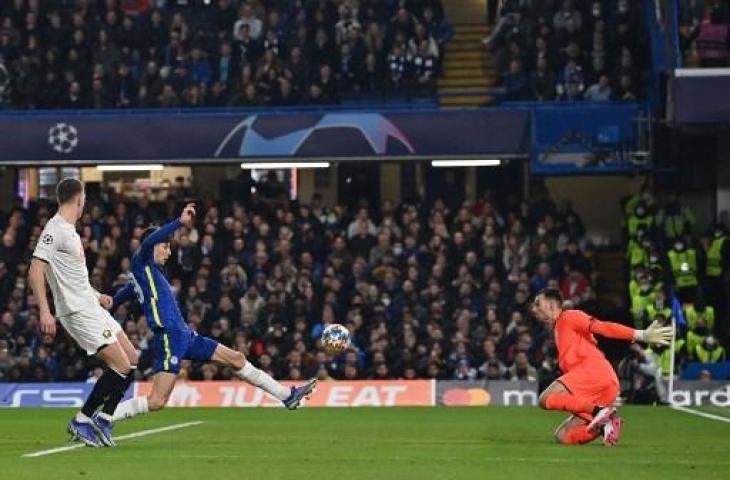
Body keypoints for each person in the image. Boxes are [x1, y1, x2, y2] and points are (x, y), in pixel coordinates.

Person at [110, 204, 316, 435]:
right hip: (169, 336)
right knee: (157, 401)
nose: (168, 252)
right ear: (153, 246)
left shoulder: (148, 275)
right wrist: (180, 222)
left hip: (185, 336)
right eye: (165, 247)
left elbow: (124, 294)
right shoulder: (142, 260)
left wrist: (110, 302)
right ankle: (104, 418)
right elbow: (147, 244)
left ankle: (287, 396)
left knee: (237, 358)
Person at [28, 178, 138, 447]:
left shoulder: (71, 231)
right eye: (85, 197)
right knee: (121, 366)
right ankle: (82, 419)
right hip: (76, 311)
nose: (85, 202)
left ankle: (104, 418)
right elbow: (35, 268)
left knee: (132, 359)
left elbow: (74, 278)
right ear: (79, 199)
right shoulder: (54, 229)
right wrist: (45, 310)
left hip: (89, 304)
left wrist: (97, 295)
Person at [531, 288, 672, 446]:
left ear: (551, 305)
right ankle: (604, 425)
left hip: (594, 374)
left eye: (538, 304)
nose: (533, 308)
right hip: (601, 386)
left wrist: (640, 335)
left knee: (545, 399)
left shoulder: (569, 317)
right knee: (562, 436)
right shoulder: (560, 328)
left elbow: (603, 327)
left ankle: (600, 412)